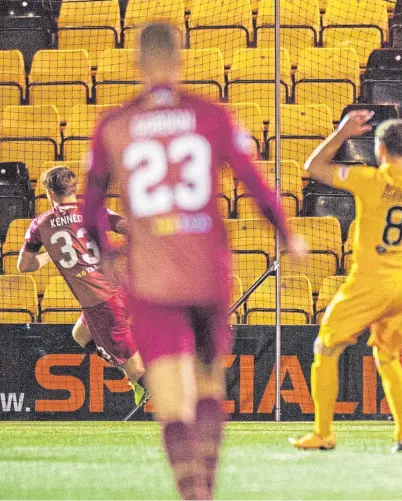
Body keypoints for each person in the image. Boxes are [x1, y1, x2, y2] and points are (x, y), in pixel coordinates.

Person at [83, 22, 304, 500]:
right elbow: (255, 182)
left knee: (170, 405)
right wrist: (287, 234)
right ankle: (208, 489)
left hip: (153, 278)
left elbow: (91, 206)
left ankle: (194, 495)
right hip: (207, 273)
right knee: (208, 389)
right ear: (180, 59)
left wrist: (107, 254)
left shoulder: (113, 125)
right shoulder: (211, 116)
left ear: (137, 63)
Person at [289, 109, 402, 452]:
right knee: (388, 358)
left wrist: (343, 132)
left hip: (368, 283)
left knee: (325, 347)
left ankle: (323, 433)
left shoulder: (368, 180)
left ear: (380, 149)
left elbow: (312, 167)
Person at [17, 166, 149, 409]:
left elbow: (23, 266)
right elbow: (129, 227)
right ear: (75, 189)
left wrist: (49, 255)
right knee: (80, 334)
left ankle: (162, 393)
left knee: (138, 370)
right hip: (120, 287)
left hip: (100, 301)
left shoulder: (41, 225)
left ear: (48, 193)